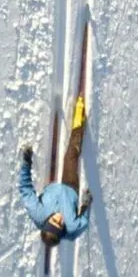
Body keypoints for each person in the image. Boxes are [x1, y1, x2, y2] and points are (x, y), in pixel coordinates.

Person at [18, 97, 94, 247]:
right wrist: (85, 205)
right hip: (70, 188)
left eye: (54, 221)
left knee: (61, 161)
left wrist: (26, 163)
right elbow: (83, 222)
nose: (59, 219)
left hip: (51, 189)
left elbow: (26, 190)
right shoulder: (71, 229)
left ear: (46, 221)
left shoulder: (37, 213)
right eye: (60, 225)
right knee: (71, 155)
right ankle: (79, 120)